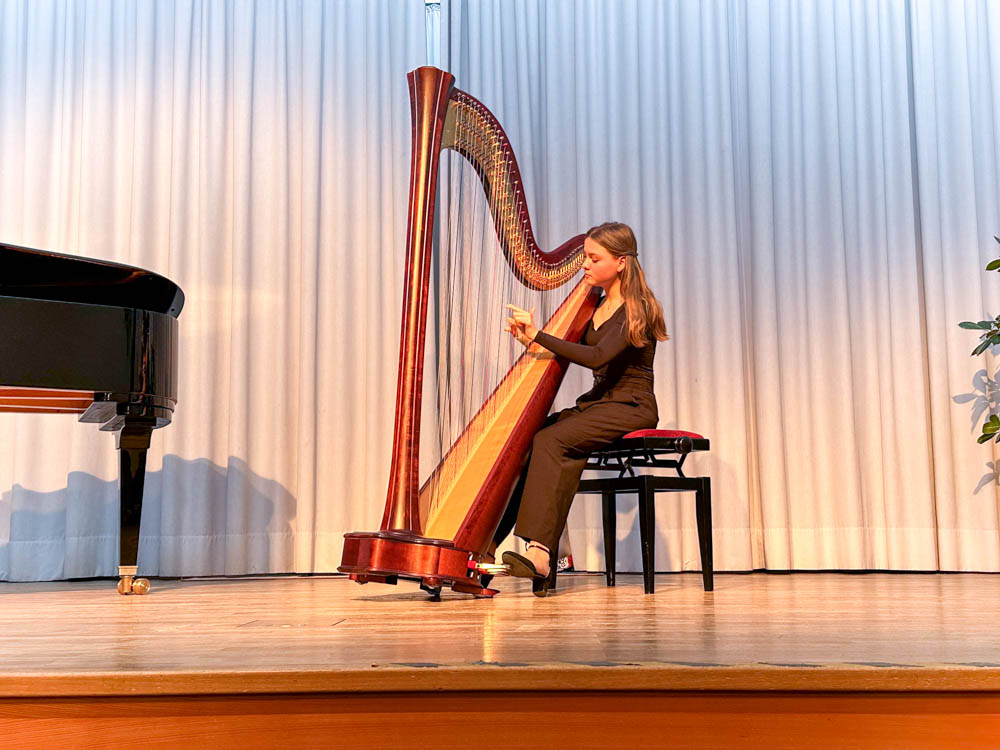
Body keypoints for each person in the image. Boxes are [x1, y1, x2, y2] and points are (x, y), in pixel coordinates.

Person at [497, 221, 668, 596]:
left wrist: (537, 335)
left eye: (594, 258)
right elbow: (580, 352)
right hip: (599, 404)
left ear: (620, 262)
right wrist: (531, 341)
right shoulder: (597, 305)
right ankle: (488, 545)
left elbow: (596, 357)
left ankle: (540, 552)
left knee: (553, 440)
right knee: (531, 438)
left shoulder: (638, 308)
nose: (585, 265)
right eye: (585, 258)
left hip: (631, 405)